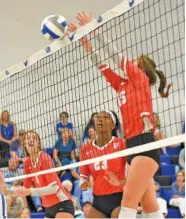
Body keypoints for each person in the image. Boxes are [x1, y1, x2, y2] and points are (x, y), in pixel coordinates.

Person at [70, 11, 172, 218]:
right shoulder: (123, 85)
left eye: (135, 62)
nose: (131, 63)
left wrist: (94, 28)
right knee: (150, 205)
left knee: (128, 200)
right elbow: (102, 65)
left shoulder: (140, 79)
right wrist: (84, 40)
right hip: (131, 146)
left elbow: (115, 55)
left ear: (141, 67)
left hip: (145, 145)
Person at [15, 130, 74, 218]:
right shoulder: (27, 162)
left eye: (34, 138)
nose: (31, 140)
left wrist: (30, 191)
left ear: (38, 143)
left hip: (61, 203)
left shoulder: (44, 157)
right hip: (47, 208)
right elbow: (25, 188)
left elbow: (54, 188)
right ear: (24, 144)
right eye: (28, 138)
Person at [80, 111, 127, 218]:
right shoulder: (85, 148)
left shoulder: (121, 143)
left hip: (119, 198)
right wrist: (83, 183)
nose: (100, 119)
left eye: (106, 117)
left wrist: (121, 182)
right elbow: (83, 176)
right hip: (98, 201)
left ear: (113, 125)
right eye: (98, 117)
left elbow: (131, 173)